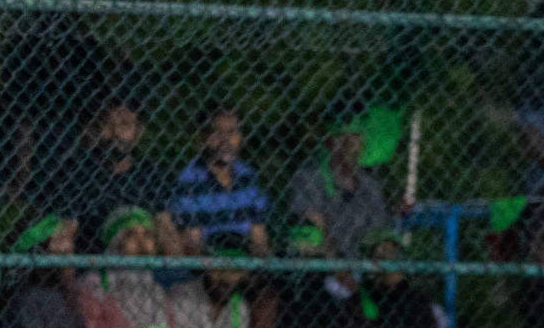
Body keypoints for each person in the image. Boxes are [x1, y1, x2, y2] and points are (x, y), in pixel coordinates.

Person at [67, 98, 184, 255]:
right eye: (108, 124)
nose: (116, 132)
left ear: (138, 131)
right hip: (94, 264)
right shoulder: (79, 172)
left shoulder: (149, 172)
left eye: (124, 124)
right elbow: (67, 229)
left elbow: (166, 228)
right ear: (94, 129)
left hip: (144, 260)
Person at [72, 207, 175, 328]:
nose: (142, 243)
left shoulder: (155, 289)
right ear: (115, 241)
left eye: (148, 235)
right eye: (130, 235)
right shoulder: (94, 285)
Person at [287, 110, 392, 261]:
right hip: (320, 269)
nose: (351, 145)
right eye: (342, 138)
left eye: (356, 137)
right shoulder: (308, 177)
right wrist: (339, 268)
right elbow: (308, 241)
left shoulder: (370, 185)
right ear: (328, 142)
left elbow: (381, 232)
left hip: (360, 267)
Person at [168, 103, 271, 256]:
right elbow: (192, 245)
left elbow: (259, 237)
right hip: (209, 263)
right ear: (202, 136)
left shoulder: (247, 176)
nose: (225, 140)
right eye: (217, 132)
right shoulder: (188, 180)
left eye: (232, 132)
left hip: (245, 261)